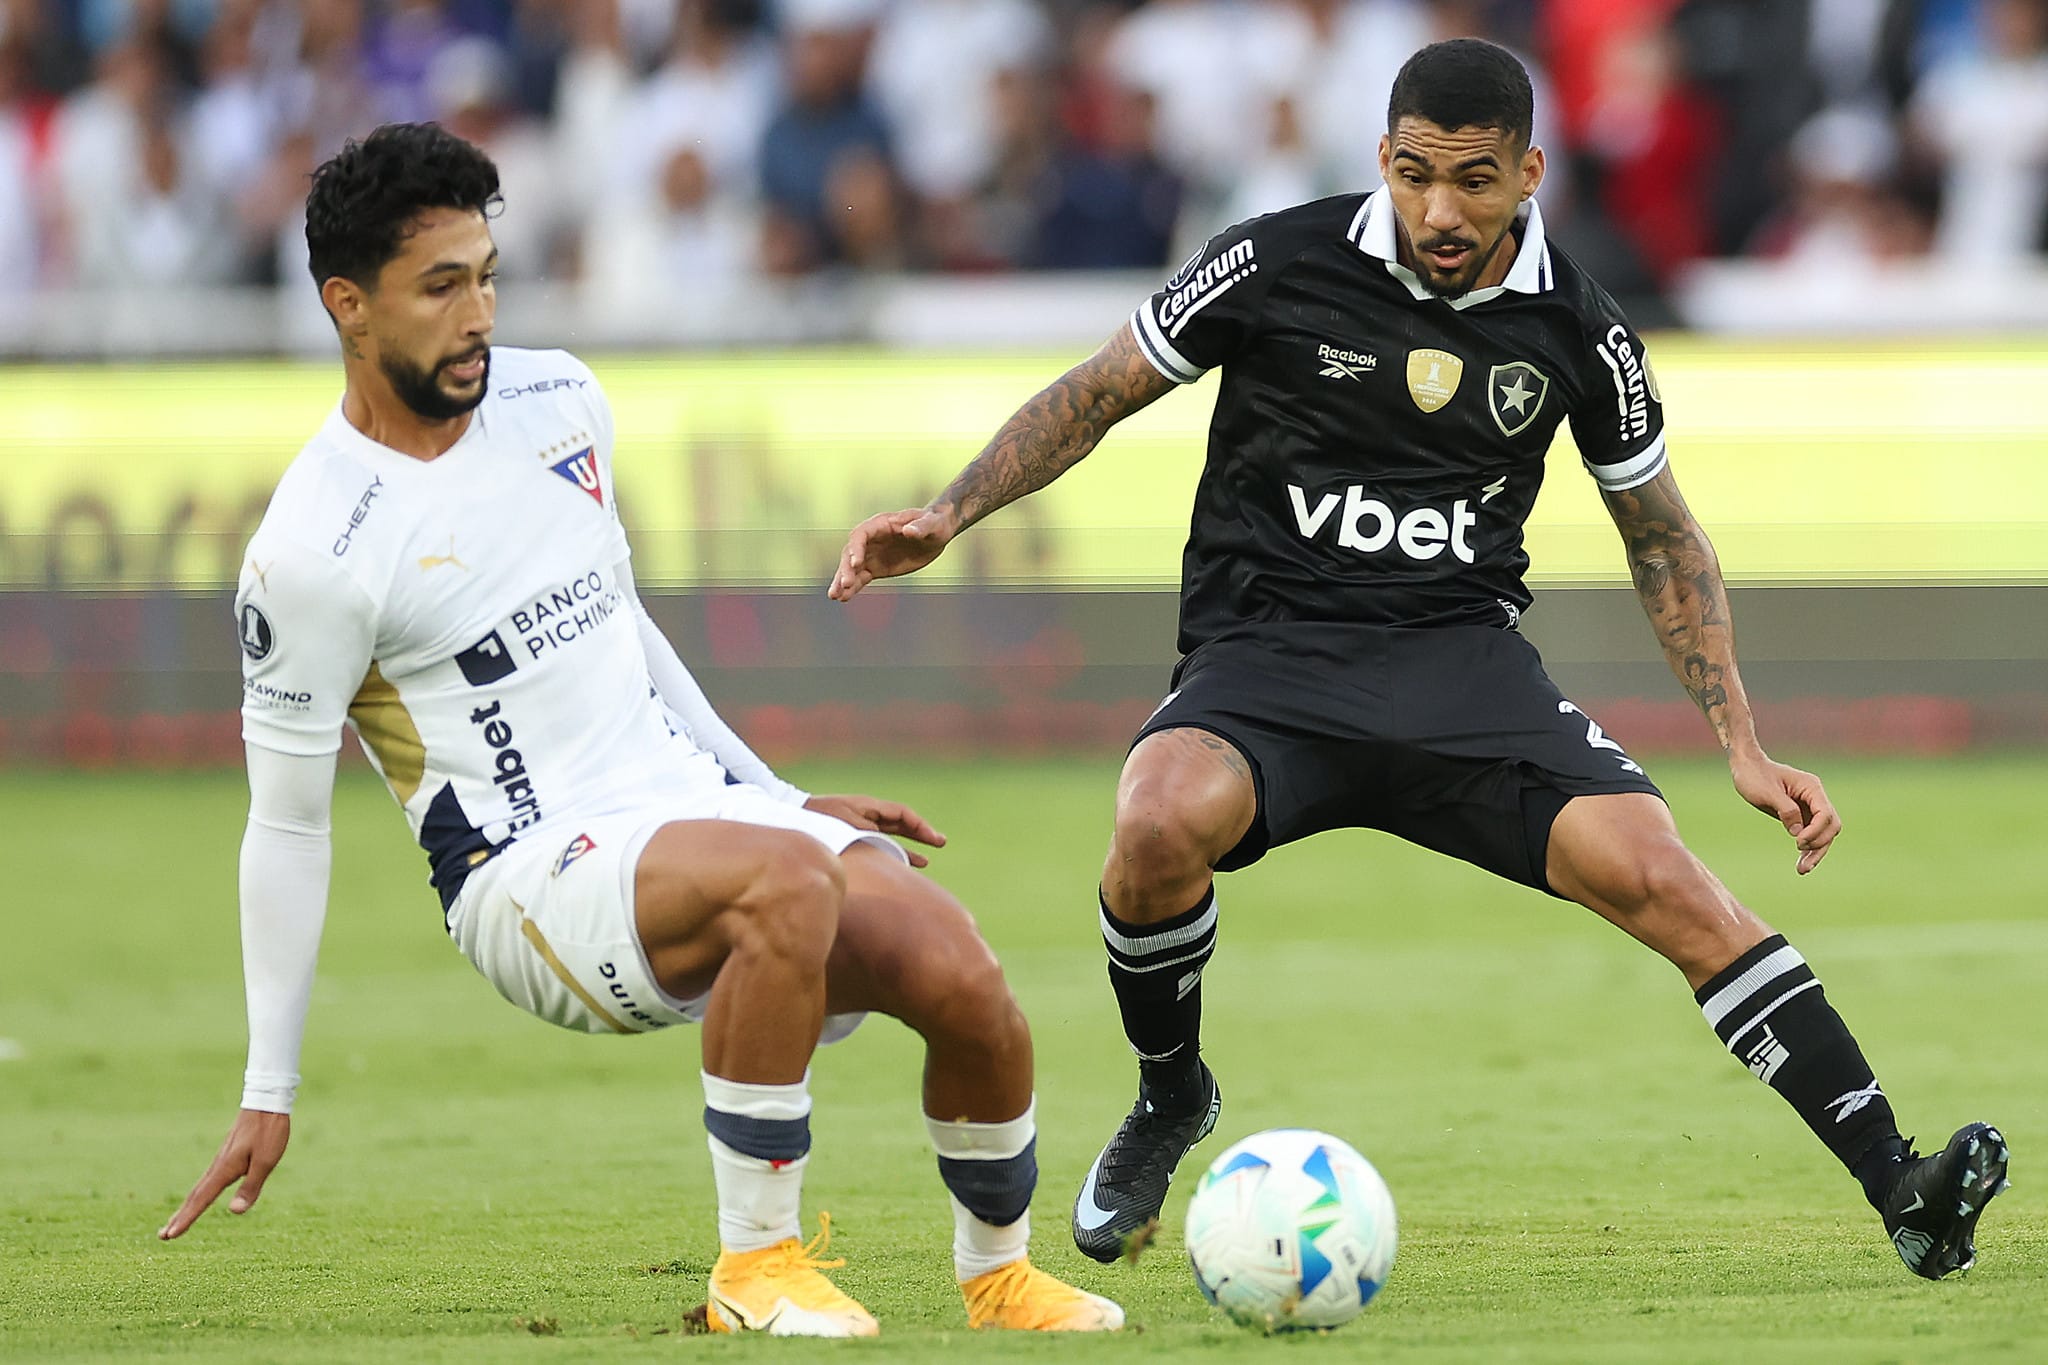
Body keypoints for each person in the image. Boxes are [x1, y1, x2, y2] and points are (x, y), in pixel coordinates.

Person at [830, 39, 2007, 1281]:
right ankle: (1171, 1095)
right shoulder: (1276, 256)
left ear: (1528, 174)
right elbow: (1101, 388)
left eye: (1473, 180)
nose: (1439, 210)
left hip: (1459, 670)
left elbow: (1659, 536)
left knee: (1670, 882)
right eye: (1413, 174)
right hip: (1269, 656)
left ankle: (1902, 1192)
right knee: (1155, 819)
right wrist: (950, 512)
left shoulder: (1580, 330)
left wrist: (1740, 742)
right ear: (1381, 160)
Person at [157, 122, 1122, 1339]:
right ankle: (753, 1270)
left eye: (488, 274)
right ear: (348, 305)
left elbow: (620, 627)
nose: (478, 314)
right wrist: (267, 1089)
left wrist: (773, 795)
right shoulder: (311, 551)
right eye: (441, 286)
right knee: (780, 889)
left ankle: (996, 1276)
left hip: (686, 809)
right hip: (524, 877)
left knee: (957, 966)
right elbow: (285, 827)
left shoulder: (559, 396)